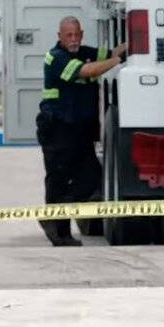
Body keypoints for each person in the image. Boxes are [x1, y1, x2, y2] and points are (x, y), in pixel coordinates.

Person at [36, 16, 126, 246]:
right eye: (69, 35)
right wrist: (116, 60)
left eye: (77, 34)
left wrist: (133, 43)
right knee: (58, 182)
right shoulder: (56, 57)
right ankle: (59, 232)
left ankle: (60, 215)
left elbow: (109, 53)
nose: (74, 39)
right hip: (58, 131)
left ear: (82, 34)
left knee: (91, 180)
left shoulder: (84, 51)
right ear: (60, 37)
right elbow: (86, 71)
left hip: (80, 133)